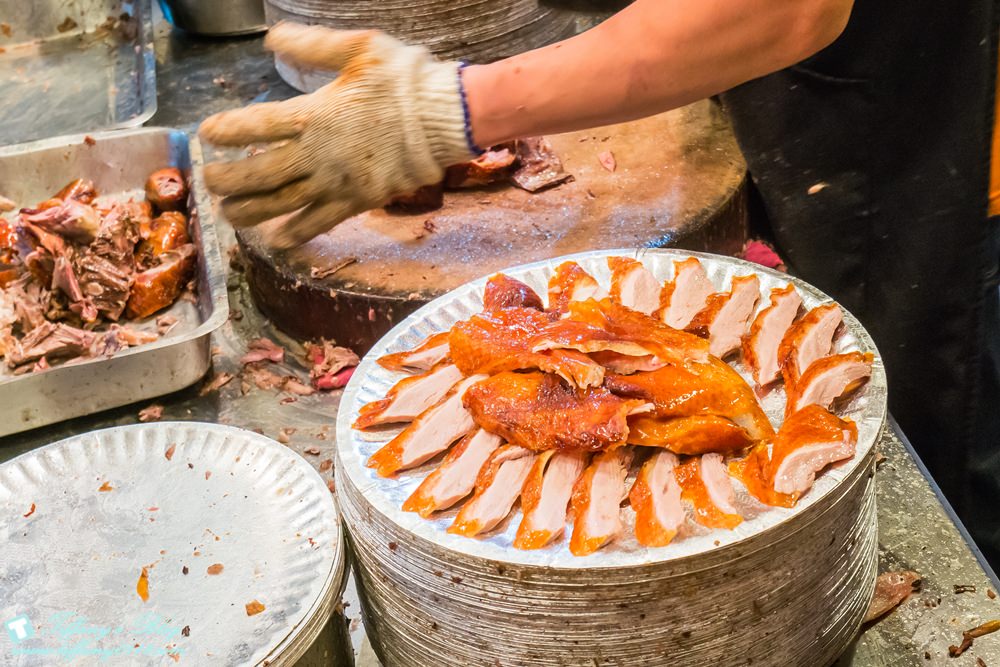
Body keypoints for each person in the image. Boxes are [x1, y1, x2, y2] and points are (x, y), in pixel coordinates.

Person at [199, 2, 1000, 564]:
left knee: (909, 480)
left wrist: (453, 108)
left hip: (914, 124)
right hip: (786, 90)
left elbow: (788, 8)